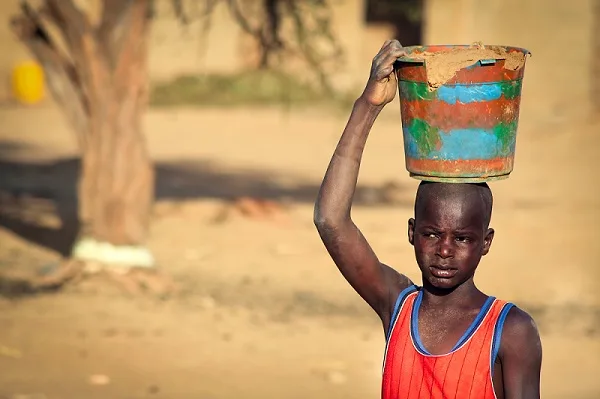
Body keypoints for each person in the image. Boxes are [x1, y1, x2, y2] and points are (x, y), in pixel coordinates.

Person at [313, 40, 542, 399]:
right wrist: (369, 105)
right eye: (432, 234)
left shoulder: (511, 331)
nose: (445, 251)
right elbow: (330, 220)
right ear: (412, 232)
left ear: (486, 242)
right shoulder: (398, 305)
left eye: (462, 238)